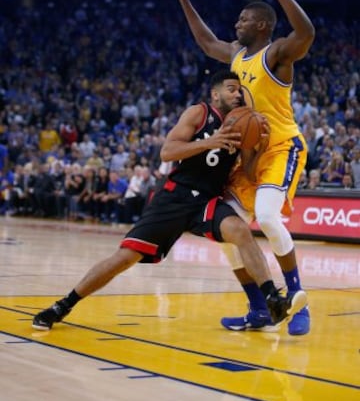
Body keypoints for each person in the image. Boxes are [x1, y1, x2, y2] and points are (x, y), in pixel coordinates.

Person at [32, 71, 306, 331]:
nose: (237, 95)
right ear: (215, 94)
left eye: (239, 91)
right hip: (175, 196)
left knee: (240, 231)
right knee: (125, 258)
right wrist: (210, 142)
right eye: (231, 90)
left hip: (206, 202)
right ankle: (64, 305)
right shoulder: (199, 113)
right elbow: (168, 152)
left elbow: (248, 171)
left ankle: (272, 299)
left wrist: (258, 147)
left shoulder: (242, 124)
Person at [178, 0, 315, 336]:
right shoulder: (236, 55)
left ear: (262, 26)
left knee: (269, 218)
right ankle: (258, 308)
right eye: (239, 17)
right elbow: (207, 43)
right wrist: (185, 0)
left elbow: (306, 33)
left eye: (244, 19)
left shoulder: (277, 55)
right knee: (227, 230)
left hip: (281, 146)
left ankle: (298, 298)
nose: (237, 22)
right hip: (247, 154)